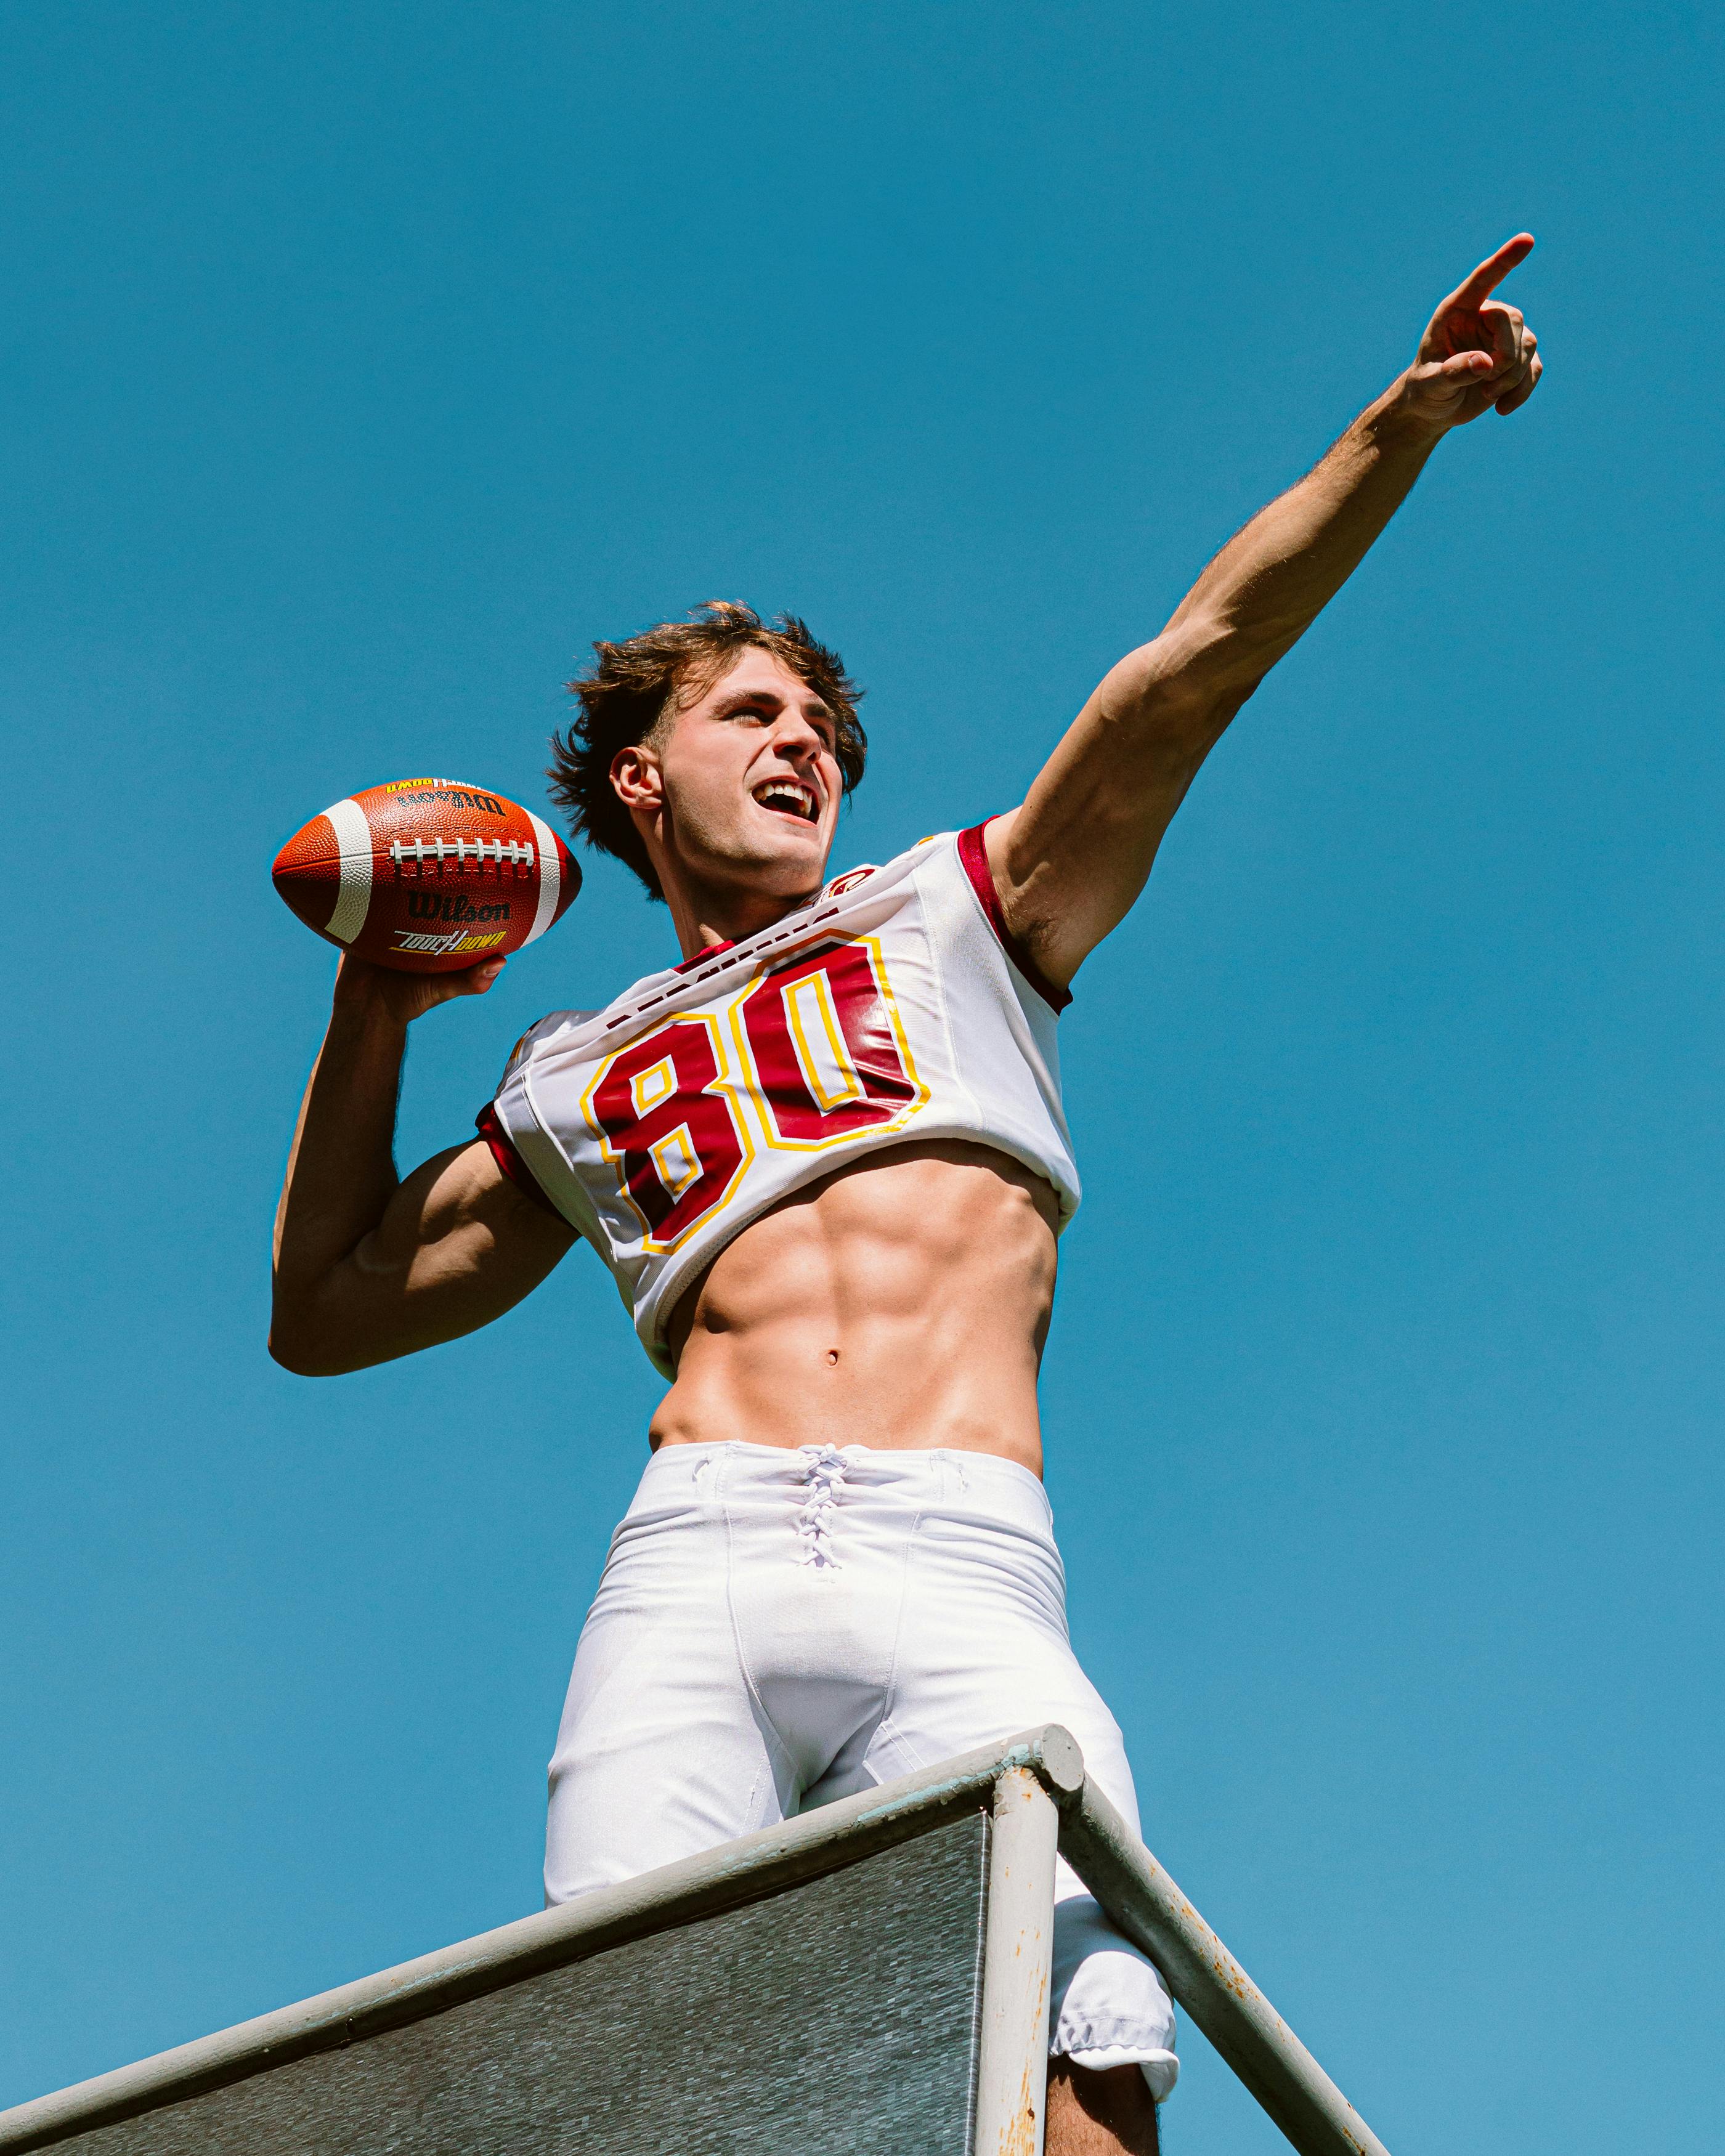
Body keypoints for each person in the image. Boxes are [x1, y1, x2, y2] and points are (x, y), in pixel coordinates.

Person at [271, 237, 1542, 2156]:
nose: (809, 745)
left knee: (1096, 2032)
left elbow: (1194, 665)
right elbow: (329, 1312)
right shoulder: (572, 1068)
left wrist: (1399, 425)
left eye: (826, 735)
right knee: (630, 2067)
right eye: (756, 714)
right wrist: (380, 995)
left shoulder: (959, 912)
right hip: (691, 1552)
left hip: (959, 1546)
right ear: (637, 775)